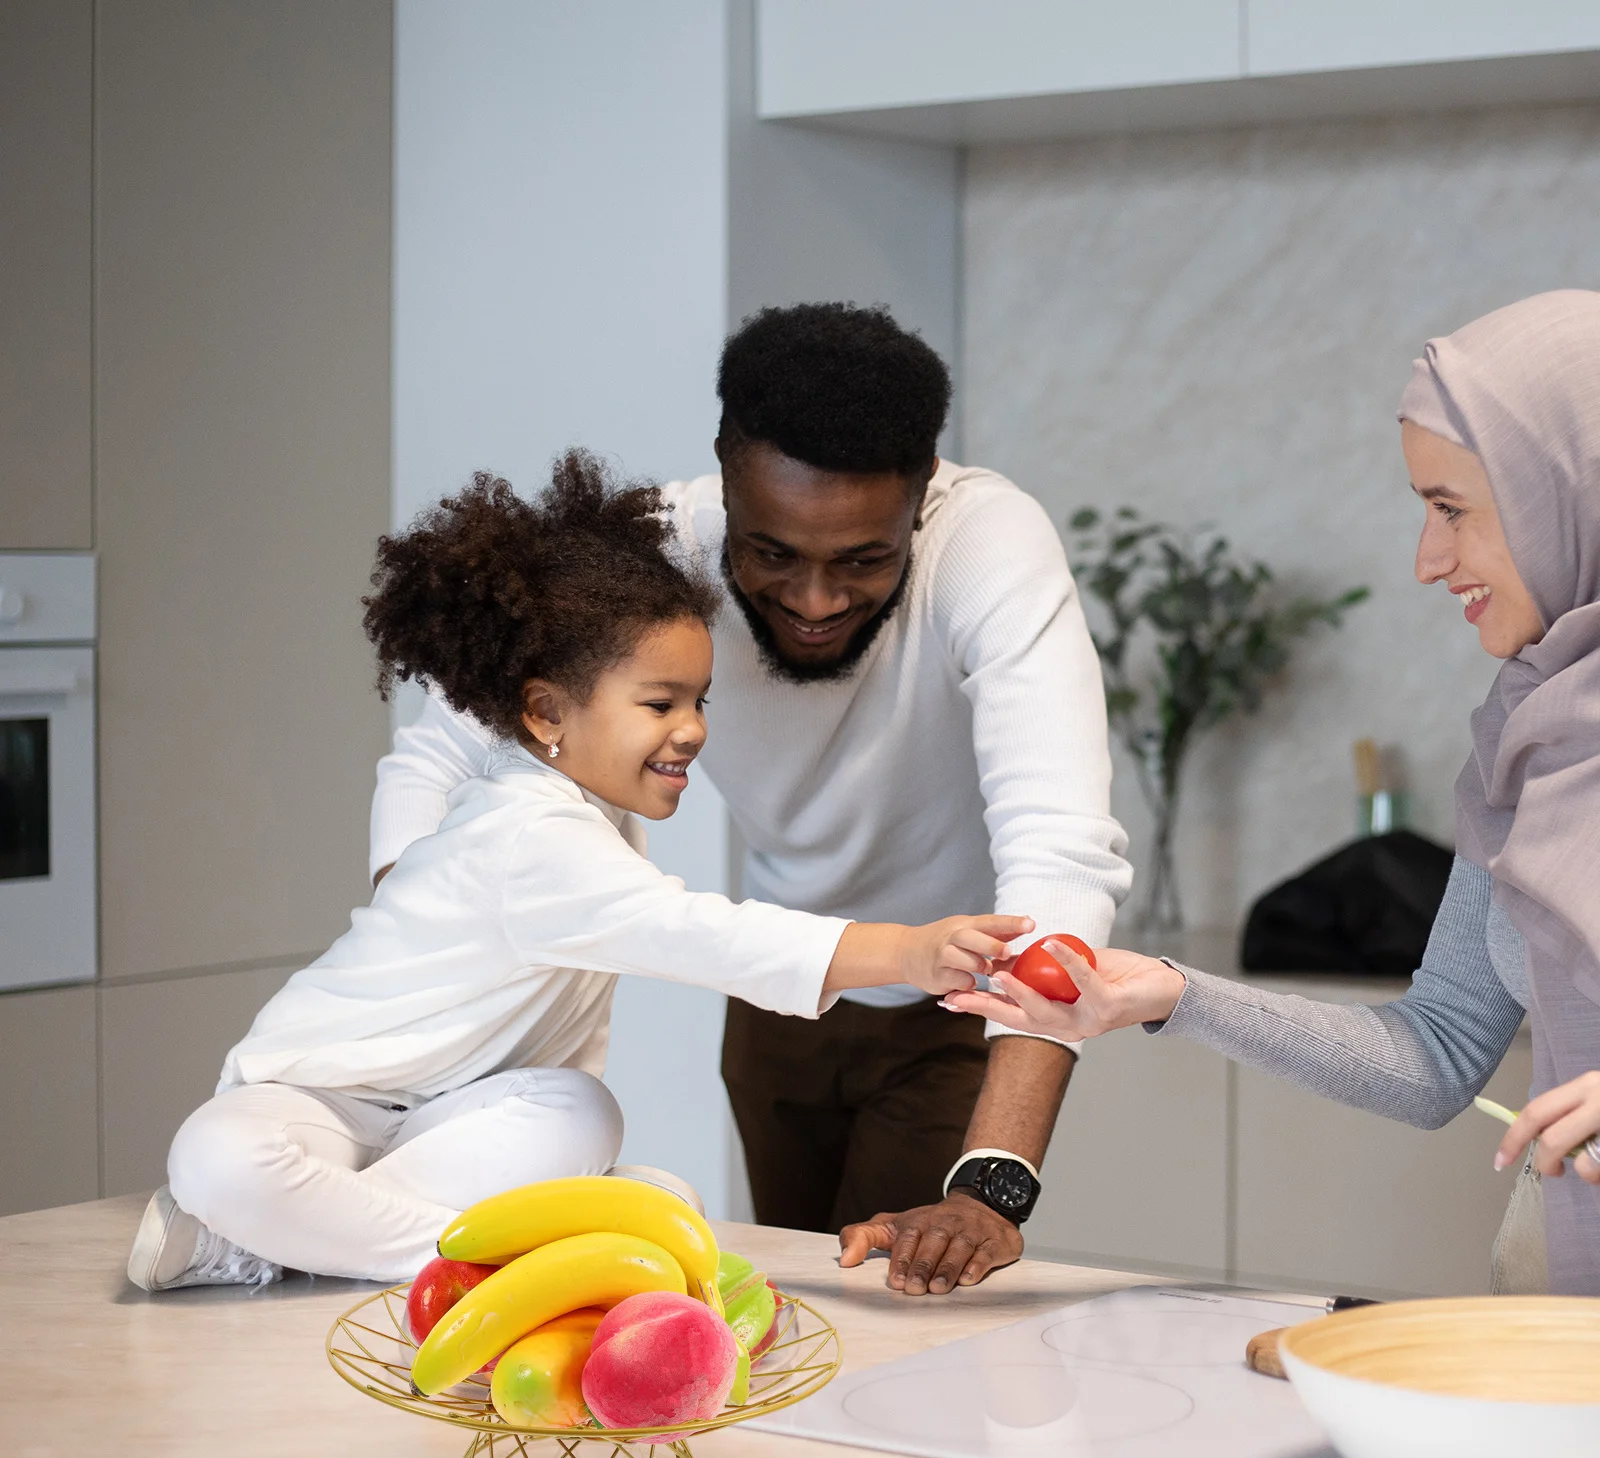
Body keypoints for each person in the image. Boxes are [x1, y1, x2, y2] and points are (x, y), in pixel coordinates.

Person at [372, 304, 1131, 1296]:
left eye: (862, 560)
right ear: (725, 475)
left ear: (921, 495)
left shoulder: (987, 543)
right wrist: (410, 944)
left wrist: (994, 1182)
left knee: (893, 1309)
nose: (815, 601)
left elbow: (1060, 848)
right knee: (796, 1294)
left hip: (959, 997)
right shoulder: (660, 546)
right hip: (779, 994)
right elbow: (440, 744)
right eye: (771, 554)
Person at [126, 454, 1025, 1291]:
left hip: (450, 1114)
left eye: (699, 701)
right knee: (219, 1157)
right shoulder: (530, 835)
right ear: (547, 712)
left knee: (578, 1110)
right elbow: (702, 935)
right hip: (322, 1101)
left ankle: (277, 1242)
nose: (693, 730)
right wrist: (907, 951)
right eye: (660, 703)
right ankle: (482, 1254)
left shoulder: (587, 811)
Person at [945, 290, 1600, 1296]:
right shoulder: (1519, 742)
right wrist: (1172, 995)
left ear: (1568, 489)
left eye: (1452, 509)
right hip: (1558, 1281)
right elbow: (1435, 1053)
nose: (1427, 561)